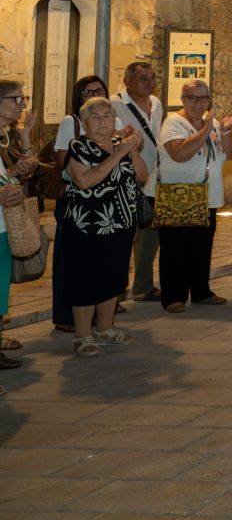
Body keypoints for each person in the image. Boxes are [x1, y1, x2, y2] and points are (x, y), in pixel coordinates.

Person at [57, 96, 145, 357]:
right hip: (87, 226)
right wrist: (119, 154)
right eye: (95, 117)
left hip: (121, 223)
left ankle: (105, 329)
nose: (103, 121)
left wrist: (133, 151)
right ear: (84, 123)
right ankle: (82, 335)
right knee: (86, 280)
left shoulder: (121, 144)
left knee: (113, 276)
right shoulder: (79, 146)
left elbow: (141, 176)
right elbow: (85, 181)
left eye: (107, 116)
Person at [156, 81, 232, 312]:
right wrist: (206, 128)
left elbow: (230, 154)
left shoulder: (214, 124)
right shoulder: (173, 122)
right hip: (180, 193)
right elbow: (180, 153)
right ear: (183, 99)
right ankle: (173, 296)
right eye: (193, 98)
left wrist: (226, 131)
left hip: (208, 194)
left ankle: (201, 291)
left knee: (202, 246)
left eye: (203, 98)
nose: (199, 103)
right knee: (175, 247)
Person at [47, 75, 107, 332]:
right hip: (75, 199)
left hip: (103, 200)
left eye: (99, 90)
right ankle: (65, 315)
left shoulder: (110, 120)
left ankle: (95, 311)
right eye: (87, 92)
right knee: (68, 259)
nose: (94, 95)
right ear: (78, 97)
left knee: (97, 260)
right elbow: (62, 159)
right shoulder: (70, 123)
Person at [113, 62, 163, 303]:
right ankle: (115, 292)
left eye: (153, 78)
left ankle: (143, 285)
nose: (150, 83)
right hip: (125, 177)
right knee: (122, 235)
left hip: (153, 176)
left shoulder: (157, 103)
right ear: (128, 81)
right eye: (144, 78)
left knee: (149, 232)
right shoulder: (115, 104)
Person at [0, 81, 36, 374]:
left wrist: (25, 137)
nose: (21, 105)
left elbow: (11, 173)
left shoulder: (5, 135)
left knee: (1, 288)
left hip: (4, 224)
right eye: (16, 99)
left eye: (23, 99)